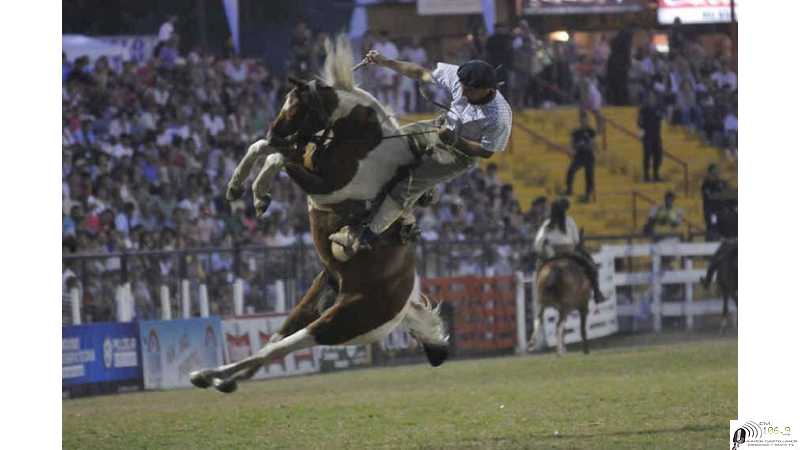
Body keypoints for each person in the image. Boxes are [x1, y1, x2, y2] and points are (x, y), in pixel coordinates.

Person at [329, 52, 512, 255]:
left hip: (460, 155)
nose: (462, 91)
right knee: (387, 143)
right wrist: (385, 61)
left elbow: (486, 152)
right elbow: (419, 73)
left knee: (406, 186)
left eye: (470, 90)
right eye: (462, 86)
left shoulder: (499, 117)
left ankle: (364, 237)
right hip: (439, 127)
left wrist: (455, 141)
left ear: (488, 90)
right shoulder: (459, 77)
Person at [533, 198, 604, 302]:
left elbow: (538, 242)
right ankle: (597, 293)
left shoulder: (547, 223)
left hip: (552, 253)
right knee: (590, 266)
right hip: (569, 252)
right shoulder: (570, 221)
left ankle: (540, 293)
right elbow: (576, 240)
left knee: (539, 268)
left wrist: (541, 250)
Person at [565, 111, 597, 202]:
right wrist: (572, 149)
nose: (584, 121)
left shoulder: (591, 131)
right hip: (580, 155)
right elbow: (571, 143)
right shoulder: (576, 132)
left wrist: (587, 143)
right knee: (571, 171)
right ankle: (569, 190)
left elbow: (594, 144)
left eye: (585, 119)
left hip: (589, 155)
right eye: (582, 119)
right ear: (580, 120)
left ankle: (588, 195)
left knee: (589, 176)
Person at [638, 91, 664, 182]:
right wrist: (642, 130)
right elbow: (639, 122)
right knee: (647, 155)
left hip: (657, 135)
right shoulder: (643, 109)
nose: (651, 99)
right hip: (647, 136)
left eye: (653, 97)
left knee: (658, 155)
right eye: (649, 97)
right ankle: (646, 175)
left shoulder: (659, 108)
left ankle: (656, 174)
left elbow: (661, 118)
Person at [701, 164, 732, 240]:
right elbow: (708, 196)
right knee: (713, 225)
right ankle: (711, 240)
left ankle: (724, 239)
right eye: (714, 172)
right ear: (709, 173)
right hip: (712, 212)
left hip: (721, 211)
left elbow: (728, 194)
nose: (716, 174)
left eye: (717, 171)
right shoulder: (706, 184)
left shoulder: (721, 183)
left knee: (723, 226)